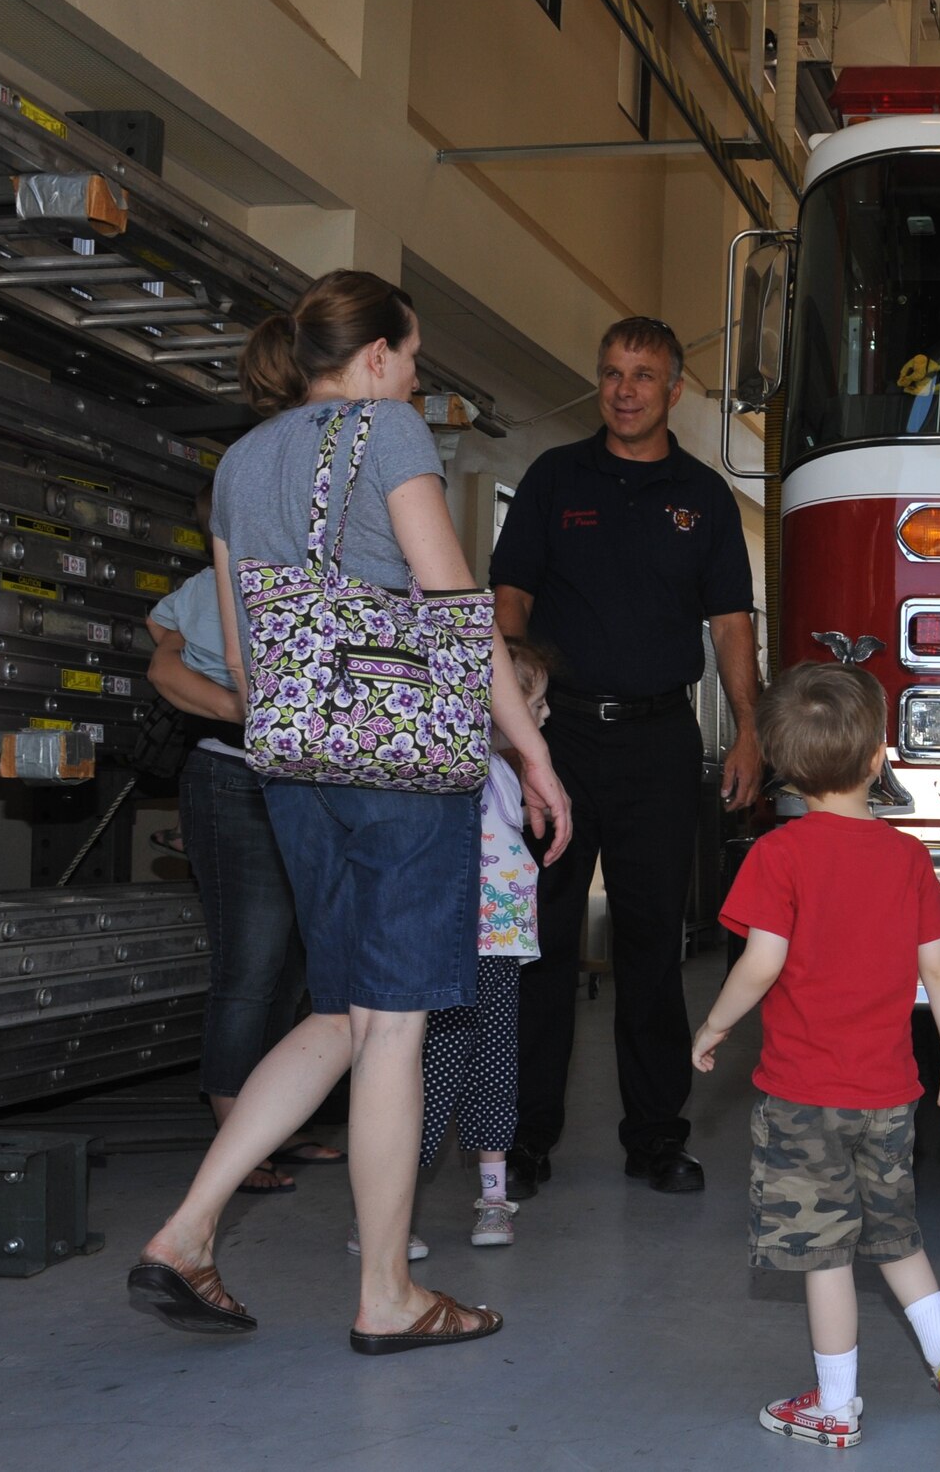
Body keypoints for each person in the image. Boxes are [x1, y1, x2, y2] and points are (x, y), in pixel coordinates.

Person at [126, 269, 571, 1353]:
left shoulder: (237, 463)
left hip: (287, 762)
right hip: (402, 766)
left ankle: (185, 1229)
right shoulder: (388, 433)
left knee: (340, 1016)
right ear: (373, 358)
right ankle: (388, 1294)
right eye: (411, 359)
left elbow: (241, 644)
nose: (414, 379)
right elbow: (457, 608)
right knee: (395, 1030)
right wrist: (531, 746)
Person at [489, 315, 761, 1197]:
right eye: (611, 372)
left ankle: (655, 1136)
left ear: (675, 388)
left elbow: (729, 624)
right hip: (556, 738)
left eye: (644, 375)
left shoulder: (704, 497)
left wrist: (750, 728)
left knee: (654, 945)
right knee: (542, 945)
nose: (625, 389)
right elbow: (511, 597)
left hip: (658, 741)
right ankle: (524, 1140)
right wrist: (512, 713)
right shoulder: (554, 476)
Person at [692, 663, 940, 1448]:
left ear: (787, 767)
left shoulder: (779, 855)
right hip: (888, 1093)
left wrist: (715, 1024)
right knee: (895, 1235)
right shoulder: (906, 858)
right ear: (876, 758)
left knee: (825, 1256)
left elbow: (761, 963)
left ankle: (835, 1406)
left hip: (802, 1097)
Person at [149, 554, 347, 1196]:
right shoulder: (216, 581)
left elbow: (162, 631)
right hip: (233, 776)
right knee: (249, 966)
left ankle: (272, 1122)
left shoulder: (320, 573)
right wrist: (243, 705)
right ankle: (234, 1134)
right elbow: (161, 649)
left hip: (303, 778)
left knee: (292, 964)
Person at [415, 637, 554, 1248]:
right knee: (430, 1077)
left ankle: (494, 1201)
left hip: (498, 950)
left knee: (496, 1072)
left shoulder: (504, 771)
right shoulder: (453, 767)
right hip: (449, 949)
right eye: (534, 702)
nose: (543, 715)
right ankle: (384, 1212)